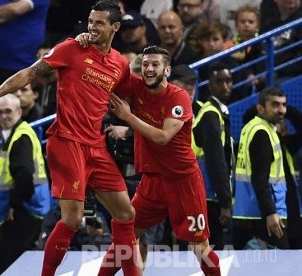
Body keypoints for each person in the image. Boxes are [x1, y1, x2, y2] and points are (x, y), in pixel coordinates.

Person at [0, 1, 140, 275]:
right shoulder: (72, 48)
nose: (92, 27)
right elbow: (31, 72)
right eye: (91, 21)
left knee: (127, 215)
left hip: (96, 145)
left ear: (115, 27)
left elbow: (127, 95)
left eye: (100, 23)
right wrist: (0, 91)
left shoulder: (120, 64)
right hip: (67, 142)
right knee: (73, 220)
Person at [108, 45, 221, 275]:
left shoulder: (178, 98)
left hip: (183, 182)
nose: (149, 69)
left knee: (199, 247)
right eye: (146, 64)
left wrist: (128, 117)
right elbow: (107, 75)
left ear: (167, 70)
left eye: (155, 65)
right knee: (125, 237)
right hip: (152, 181)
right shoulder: (136, 88)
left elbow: (162, 137)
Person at [0, 94, 50, 275]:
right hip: (24, 209)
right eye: (0, 113)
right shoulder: (15, 134)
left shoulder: (20, 137)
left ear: (19, 112)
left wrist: (14, 204)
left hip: (23, 211)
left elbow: (24, 175)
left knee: (9, 266)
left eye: (8, 111)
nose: (4, 116)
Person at [232, 86, 291, 249]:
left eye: (283, 105)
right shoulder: (262, 133)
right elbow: (260, 179)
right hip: (263, 217)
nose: (281, 110)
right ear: (260, 108)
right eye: (275, 105)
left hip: (248, 212)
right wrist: (270, 213)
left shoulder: (252, 127)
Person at [192, 62, 233, 250]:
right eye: (219, 82)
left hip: (205, 194)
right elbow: (216, 161)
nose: (225, 86)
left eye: (229, 81)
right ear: (209, 85)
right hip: (207, 196)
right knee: (210, 252)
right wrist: (225, 201)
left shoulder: (216, 112)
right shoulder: (210, 115)